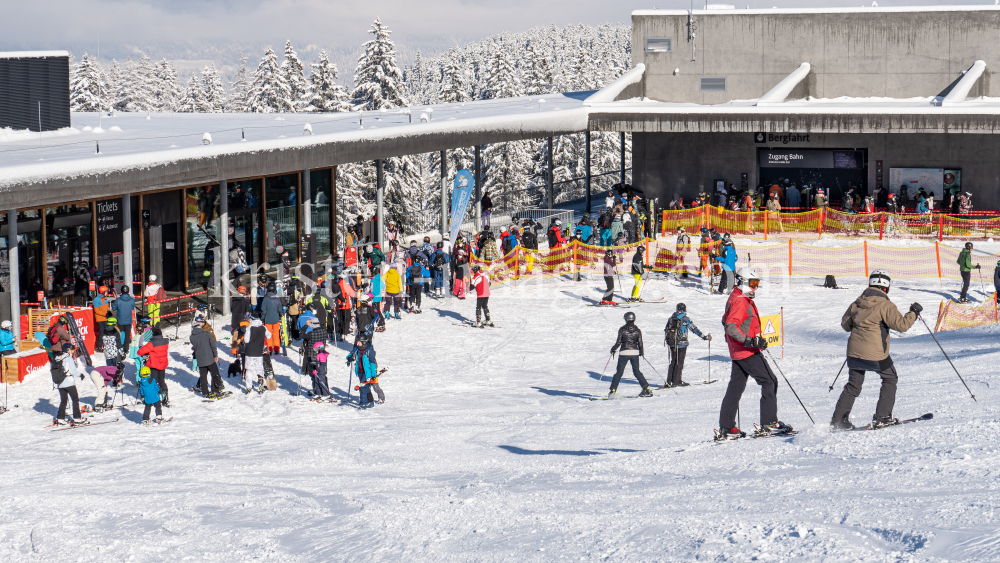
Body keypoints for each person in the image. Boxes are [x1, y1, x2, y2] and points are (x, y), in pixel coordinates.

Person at [832, 270, 921, 430]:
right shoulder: (886, 305)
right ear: (886, 288)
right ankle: (883, 416)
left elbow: (846, 325)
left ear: (870, 284)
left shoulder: (856, 303)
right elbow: (902, 325)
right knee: (890, 378)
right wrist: (913, 313)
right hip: (876, 354)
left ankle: (838, 421)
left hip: (853, 353)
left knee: (853, 385)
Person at [716, 267, 792, 440]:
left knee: (735, 388)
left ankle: (727, 427)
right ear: (742, 282)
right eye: (753, 283)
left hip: (738, 351)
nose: (755, 287)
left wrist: (751, 337)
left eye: (757, 283)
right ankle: (769, 422)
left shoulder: (735, 296)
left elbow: (725, 319)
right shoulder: (741, 301)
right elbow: (730, 326)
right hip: (746, 351)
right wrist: (750, 341)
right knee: (769, 381)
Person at [663, 303, 710, 387]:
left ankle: (669, 381)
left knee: (673, 361)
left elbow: (666, 329)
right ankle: (676, 382)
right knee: (679, 362)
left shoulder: (671, 318)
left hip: (672, 343)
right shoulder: (685, 319)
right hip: (682, 343)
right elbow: (694, 329)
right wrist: (704, 337)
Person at [608, 312, 653, 399]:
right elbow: (640, 342)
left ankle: (612, 391)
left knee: (619, 373)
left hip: (624, 352)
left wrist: (613, 349)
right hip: (634, 352)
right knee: (637, 372)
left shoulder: (622, 329)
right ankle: (646, 389)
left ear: (626, 319)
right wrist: (641, 352)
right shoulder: (637, 330)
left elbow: (618, 342)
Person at [52, 344, 88, 426]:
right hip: (69, 382)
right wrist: (81, 375)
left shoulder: (57, 357)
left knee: (63, 401)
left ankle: (60, 418)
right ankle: (77, 418)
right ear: (67, 350)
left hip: (60, 383)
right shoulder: (68, 358)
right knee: (75, 400)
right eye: (71, 349)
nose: (73, 350)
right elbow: (74, 371)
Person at [190, 315, 226, 398]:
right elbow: (213, 346)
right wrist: (215, 355)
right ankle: (215, 390)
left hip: (200, 359)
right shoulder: (206, 333)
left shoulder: (191, 337)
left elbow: (195, 346)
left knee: (203, 376)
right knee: (214, 373)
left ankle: (205, 392)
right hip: (209, 358)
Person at [347, 332, 383, 408]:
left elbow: (372, 363)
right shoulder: (357, 349)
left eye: (359, 342)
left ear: (363, 343)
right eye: (357, 341)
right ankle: (370, 401)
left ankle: (364, 402)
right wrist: (350, 358)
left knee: (363, 387)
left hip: (367, 373)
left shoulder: (369, 351)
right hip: (360, 371)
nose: (357, 343)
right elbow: (350, 354)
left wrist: (373, 374)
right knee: (365, 387)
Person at [136, 325, 170, 407]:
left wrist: (148, 353)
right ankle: (165, 398)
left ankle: (154, 398)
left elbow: (139, 352)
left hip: (154, 365)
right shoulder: (165, 341)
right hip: (163, 365)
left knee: (154, 382)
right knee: (162, 381)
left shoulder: (151, 344)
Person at [242, 314, 270, 393]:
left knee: (249, 369)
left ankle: (248, 387)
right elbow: (269, 335)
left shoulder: (249, 328)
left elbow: (246, 340)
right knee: (259, 368)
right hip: (259, 352)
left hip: (249, 352)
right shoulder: (263, 327)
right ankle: (260, 384)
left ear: (252, 319)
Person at [260, 282, 284, 354]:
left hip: (267, 319)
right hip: (276, 319)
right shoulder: (277, 299)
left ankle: (270, 349)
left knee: (268, 335)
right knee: (276, 334)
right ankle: (276, 349)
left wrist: (262, 318)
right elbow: (280, 308)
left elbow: (263, 310)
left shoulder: (265, 299)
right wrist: (281, 314)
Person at [111, 286, 136, 351]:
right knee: (127, 335)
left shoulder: (118, 300)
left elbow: (113, 308)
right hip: (128, 320)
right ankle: (126, 349)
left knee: (119, 334)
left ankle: (119, 347)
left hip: (120, 320)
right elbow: (132, 308)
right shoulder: (132, 300)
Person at [92, 286, 111, 352]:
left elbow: (107, 307)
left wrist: (109, 312)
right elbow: (97, 311)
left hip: (105, 318)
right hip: (100, 319)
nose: (107, 293)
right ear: (103, 292)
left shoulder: (104, 299)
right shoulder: (97, 300)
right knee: (102, 332)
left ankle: (106, 345)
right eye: (106, 292)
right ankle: (99, 346)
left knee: (106, 332)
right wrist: (105, 314)